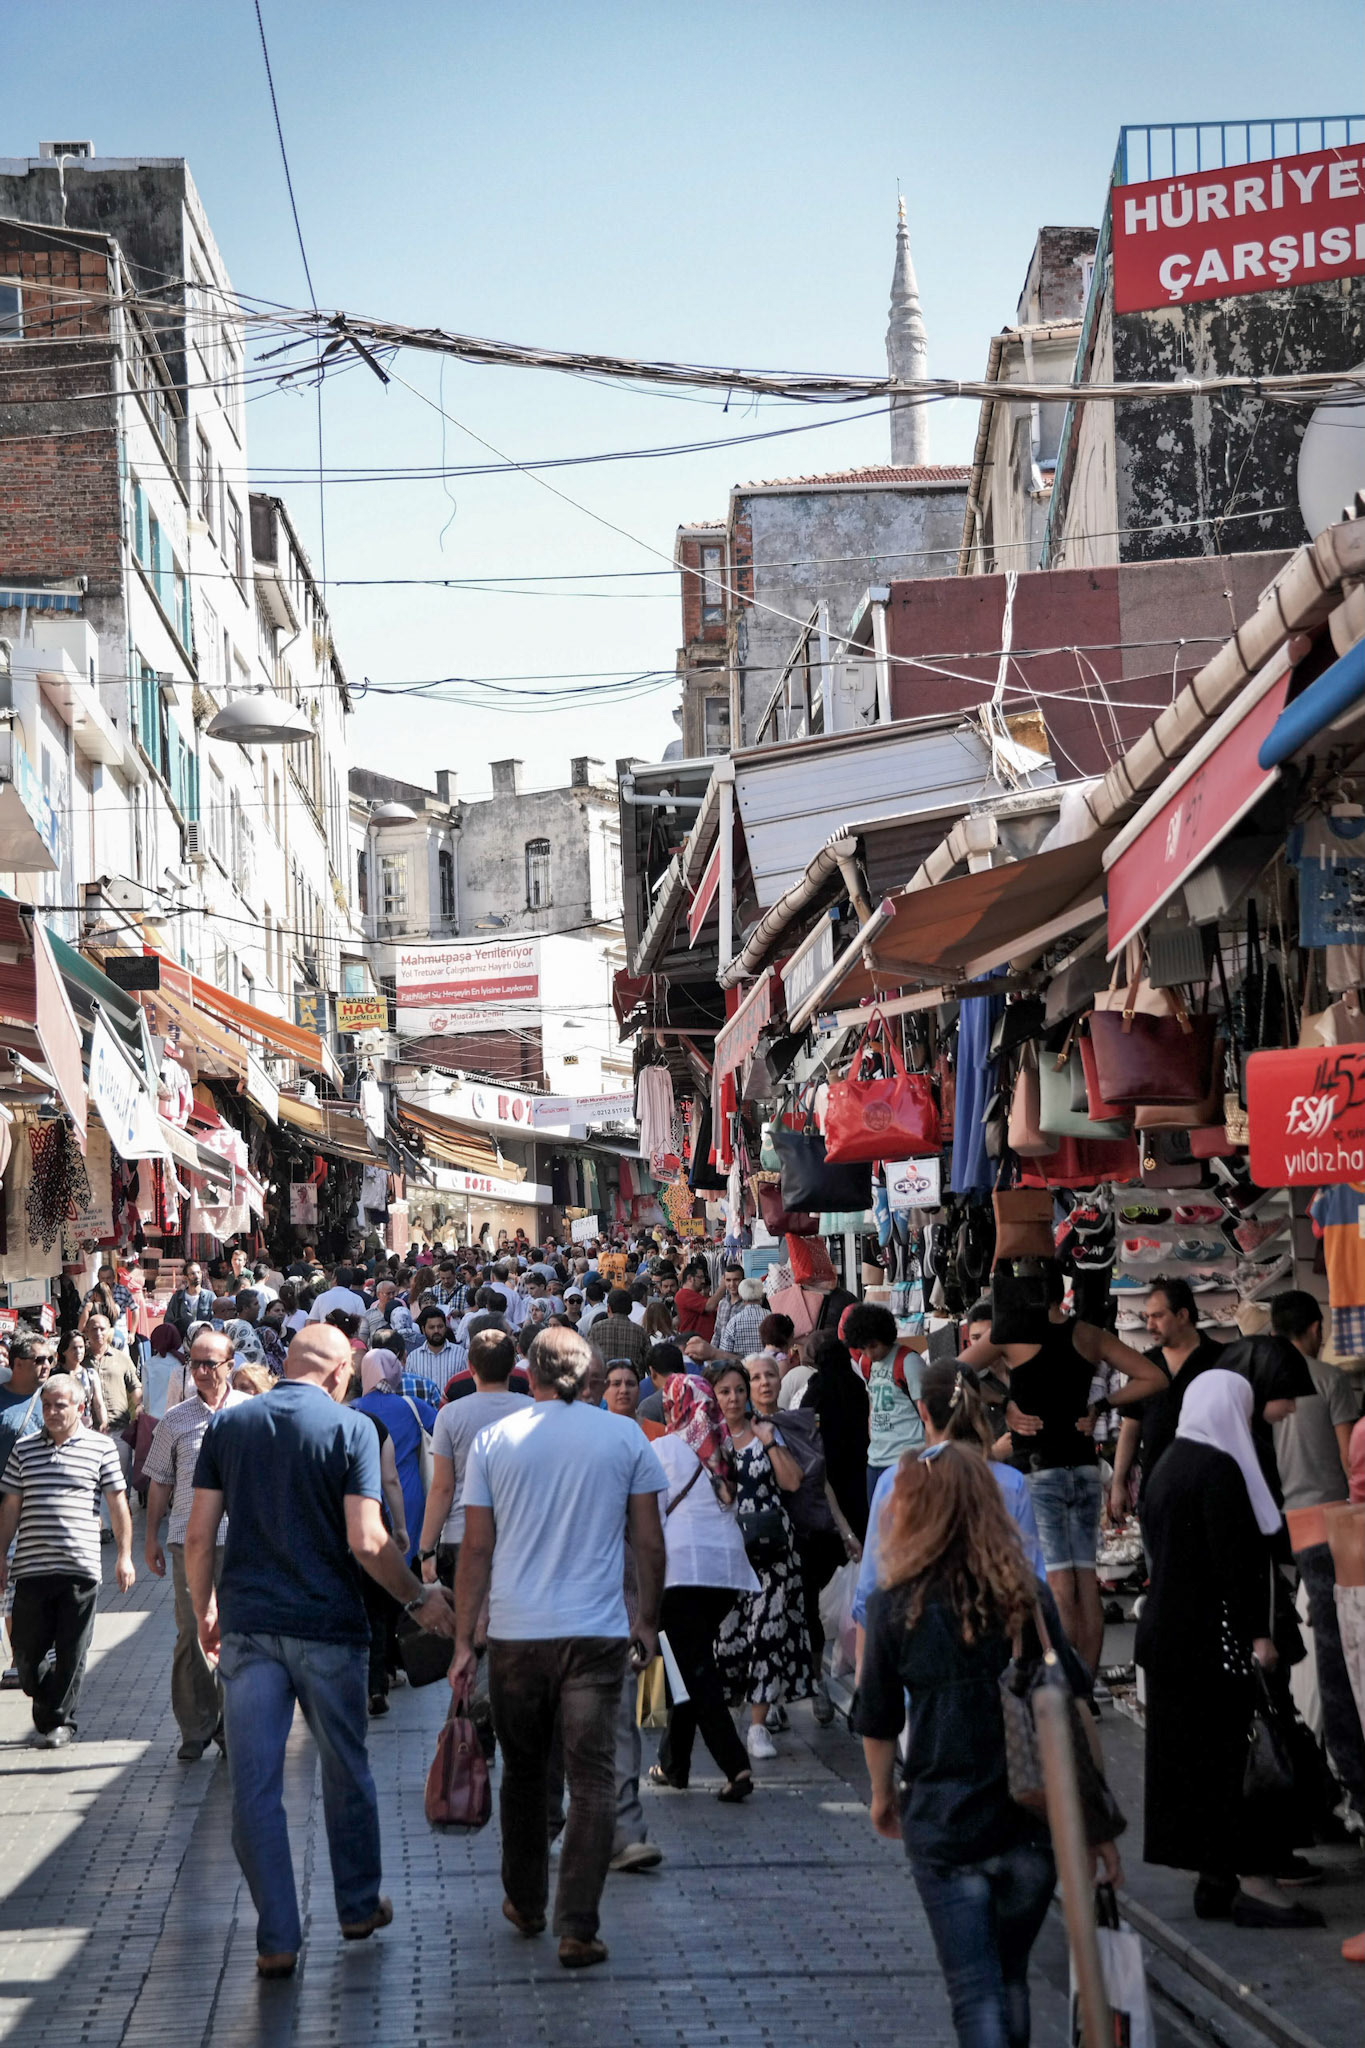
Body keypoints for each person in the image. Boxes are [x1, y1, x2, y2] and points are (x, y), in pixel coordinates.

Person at [184, 1324, 457, 1978]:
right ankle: (357, 1905)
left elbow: (198, 1536)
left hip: (249, 1626)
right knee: (345, 1769)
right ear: (339, 1373)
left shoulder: (230, 1426)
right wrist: (417, 1597)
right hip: (329, 1627)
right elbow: (366, 1540)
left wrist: (204, 1610)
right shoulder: (350, 1429)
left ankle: (277, 1936)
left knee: (254, 1785)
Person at [855, 1444, 1121, 2048]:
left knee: (975, 1992)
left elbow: (876, 1719)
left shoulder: (896, 1604)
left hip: (944, 1819)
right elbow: (1073, 1705)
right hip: (1027, 1820)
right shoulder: (1026, 1596)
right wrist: (1095, 1824)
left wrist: (882, 1797)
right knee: (1011, 1978)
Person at [450, 1325, 667, 1969]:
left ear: (532, 1373)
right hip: (596, 1631)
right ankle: (577, 1925)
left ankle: (525, 1899)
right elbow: (649, 1541)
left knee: (523, 1771)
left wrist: (464, 1638)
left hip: (517, 1633)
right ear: (586, 1375)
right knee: (592, 1775)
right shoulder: (623, 1436)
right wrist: (647, 1620)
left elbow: (476, 1547)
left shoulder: (495, 1440)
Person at [1137, 1370, 1324, 1930]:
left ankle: (1215, 1879)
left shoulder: (1169, 1463)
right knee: (1235, 1766)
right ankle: (1256, 1883)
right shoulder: (1218, 1469)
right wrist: (1258, 1637)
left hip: (1170, 1643)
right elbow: (1234, 1565)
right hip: (1213, 1646)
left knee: (1197, 1769)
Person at [963, 1263, 1164, 1675]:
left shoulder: (1013, 1335)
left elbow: (952, 1373)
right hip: (1083, 1465)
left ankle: (1065, 1684)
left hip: (1040, 1470)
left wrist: (1004, 1404)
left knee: (1057, 1581)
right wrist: (1101, 1406)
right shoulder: (1088, 1334)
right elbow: (1154, 1377)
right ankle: (1085, 1683)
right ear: (1061, 1293)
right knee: (1086, 1580)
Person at [0, 1373, 134, 1746]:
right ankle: (45, 1697)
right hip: (31, 1567)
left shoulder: (101, 1448)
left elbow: (118, 1504)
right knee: (26, 1655)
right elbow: (10, 1506)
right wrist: (0, 1555)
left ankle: (59, 1721)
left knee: (71, 1650)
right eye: (46, 1405)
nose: (52, 1412)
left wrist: (125, 1556)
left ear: (79, 1407)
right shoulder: (24, 1449)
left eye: (60, 1405)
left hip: (80, 1567)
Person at [649, 1373, 757, 1800]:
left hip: (681, 1574)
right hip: (724, 1575)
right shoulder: (724, 1449)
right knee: (688, 1663)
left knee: (695, 1672)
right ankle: (673, 1764)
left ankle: (736, 1766)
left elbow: (650, 1516)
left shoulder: (662, 1450)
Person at [142, 1329, 245, 1760]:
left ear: (230, 1366)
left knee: (238, 1632)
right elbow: (159, 1482)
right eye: (194, 1364)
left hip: (242, 1544)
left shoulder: (252, 1413)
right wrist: (150, 1536)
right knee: (192, 1633)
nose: (201, 1372)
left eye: (209, 1363)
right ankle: (196, 1725)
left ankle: (232, 1725)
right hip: (188, 1542)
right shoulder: (175, 1419)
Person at [710, 1359, 811, 1759]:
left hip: (771, 1552)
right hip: (726, 1553)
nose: (734, 1398)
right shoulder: (707, 1441)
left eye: (739, 1389)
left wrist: (769, 1442)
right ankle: (735, 1715)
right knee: (728, 1637)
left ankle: (757, 1726)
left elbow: (793, 1481)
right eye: (725, 1391)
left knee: (768, 1632)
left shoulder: (765, 1431)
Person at [418, 1330, 532, 1591]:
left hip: (462, 1532)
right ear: (513, 1367)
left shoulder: (450, 1415)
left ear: (470, 1367)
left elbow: (442, 1487)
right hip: (521, 1533)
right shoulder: (534, 1411)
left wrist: (426, 1548)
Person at [1107, 1277, 1227, 1519]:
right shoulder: (1144, 1365)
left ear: (1182, 1315)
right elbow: (1130, 1426)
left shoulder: (1222, 1360)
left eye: (1158, 1316)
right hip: (1157, 1490)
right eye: (1147, 1317)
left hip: (1210, 1491)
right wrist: (1118, 1483)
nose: (1149, 1325)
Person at [353, 1350, 435, 1566]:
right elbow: (444, 1435)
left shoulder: (353, 1410)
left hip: (365, 1496)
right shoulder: (413, 1406)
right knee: (406, 1564)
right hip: (408, 1495)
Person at [843, 1303, 925, 1502]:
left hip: (907, 1459)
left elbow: (928, 1411)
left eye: (873, 1346)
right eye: (863, 1348)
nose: (870, 1353)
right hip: (876, 1460)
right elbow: (872, 1405)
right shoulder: (866, 1364)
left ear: (886, 1337)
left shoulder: (908, 1361)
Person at [585, 1289, 651, 1376]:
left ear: (609, 1308)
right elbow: (650, 1363)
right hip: (632, 1380)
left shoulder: (596, 1329)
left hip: (604, 1380)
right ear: (630, 1309)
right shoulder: (640, 1332)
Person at [403, 1307, 462, 1399]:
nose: (436, 1331)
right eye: (431, 1327)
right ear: (423, 1330)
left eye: (440, 1326)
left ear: (445, 1327)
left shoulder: (460, 1354)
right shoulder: (413, 1358)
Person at [604, 1359, 664, 1439]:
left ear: (639, 1390)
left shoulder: (660, 1433)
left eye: (630, 1384)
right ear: (603, 1390)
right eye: (616, 1384)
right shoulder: (593, 1432)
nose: (624, 1390)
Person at [714, 1277, 766, 1360]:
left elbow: (724, 1354)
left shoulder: (734, 1322)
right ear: (762, 1295)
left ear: (741, 1296)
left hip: (740, 1367)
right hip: (767, 1366)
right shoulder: (771, 1318)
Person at [165, 1262, 215, 1339]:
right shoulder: (177, 1298)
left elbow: (216, 1320)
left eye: (199, 1273)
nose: (197, 1276)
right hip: (182, 1339)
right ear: (186, 1277)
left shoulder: (210, 1296)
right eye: (193, 1274)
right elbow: (168, 1321)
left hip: (204, 1339)